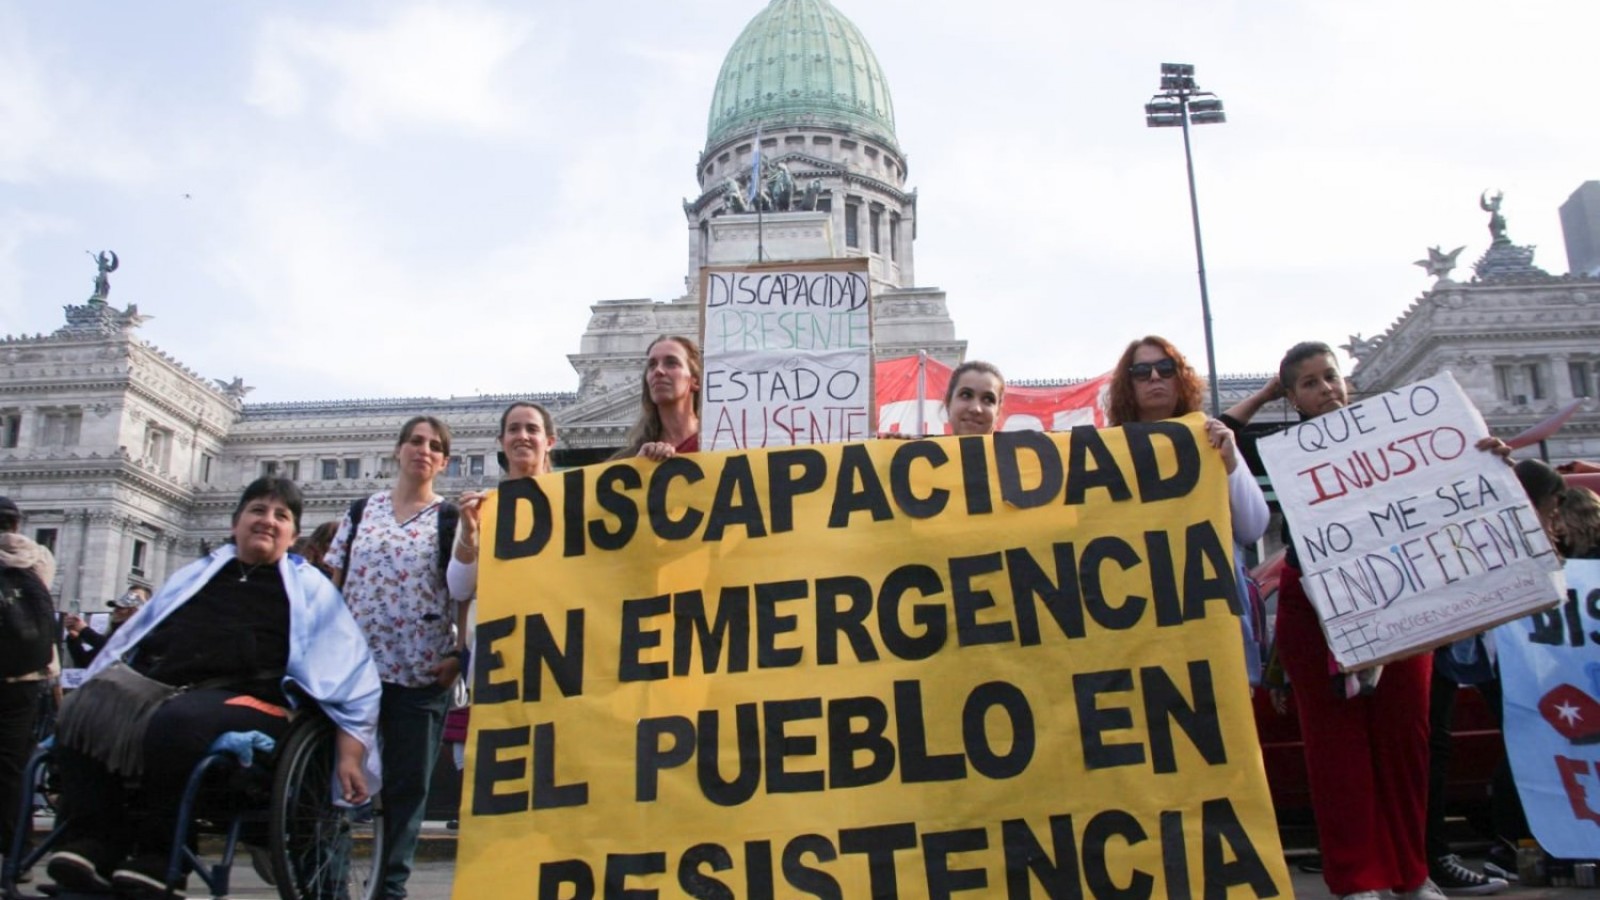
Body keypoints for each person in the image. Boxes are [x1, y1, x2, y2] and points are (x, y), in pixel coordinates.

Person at [43, 478, 379, 899]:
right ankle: (93, 842)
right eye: (258, 510)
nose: (267, 521)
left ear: (294, 535)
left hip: (257, 700)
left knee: (179, 722)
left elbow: (350, 674)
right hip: (168, 687)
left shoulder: (311, 590)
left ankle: (163, 859)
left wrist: (351, 752)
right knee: (86, 706)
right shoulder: (195, 576)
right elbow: (144, 638)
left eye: (281, 516)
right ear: (235, 522)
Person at [1224, 341, 1444, 900]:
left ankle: (1410, 875)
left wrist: (1486, 451)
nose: (1326, 390)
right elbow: (1219, 430)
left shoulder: (1397, 434)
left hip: (1399, 595)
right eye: (1309, 384)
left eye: (1331, 377)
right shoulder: (1280, 447)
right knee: (1335, 748)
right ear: (1292, 398)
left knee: (1404, 742)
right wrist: (1267, 390)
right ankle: (1356, 878)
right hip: (1314, 602)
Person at [325, 415, 461, 900]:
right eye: (415, 441)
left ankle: (390, 890)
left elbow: (464, 591)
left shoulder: (452, 518)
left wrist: (458, 654)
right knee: (337, 784)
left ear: (445, 461)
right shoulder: (362, 511)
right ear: (398, 450)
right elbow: (333, 583)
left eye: (434, 445)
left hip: (421, 671)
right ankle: (329, 882)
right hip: (352, 673)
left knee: (406, 793)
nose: (423, 450)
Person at [1108, 336, 1271, 684]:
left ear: (1179, 378)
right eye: (1141, 371)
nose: (1155, 377)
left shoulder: (1210, 438)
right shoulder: (1108, 454)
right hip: (1144, 624)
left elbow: (1253, 527)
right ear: (1128, 384)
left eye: (1165, 369)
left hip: (1210, 615)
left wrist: (1228, 463)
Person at [1, 496, 56, 876]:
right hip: (27, 677)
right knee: (13, 768)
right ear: (18, 524)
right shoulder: (39, 558)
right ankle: (15, 853)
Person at [613, 335, 701, 461]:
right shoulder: (632, 457)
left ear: (695, 381)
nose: (658, 371)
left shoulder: (722, 443)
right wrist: (636, 468)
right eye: (652, 365)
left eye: (671, 363)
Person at [62, 585, 149, 668]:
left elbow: (113, 650)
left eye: (122, 608)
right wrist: (74, 638)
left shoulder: (145, 633)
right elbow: (85, 662)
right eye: (116, 607)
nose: (117, 611)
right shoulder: (114, 632)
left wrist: (84, 630)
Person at [943, 360, 1005, 436]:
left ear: (998, 411)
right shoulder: (925, 448)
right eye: (966, 395)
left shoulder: (1014, 447)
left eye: (988, 399)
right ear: (948, 402)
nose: (976, 409)